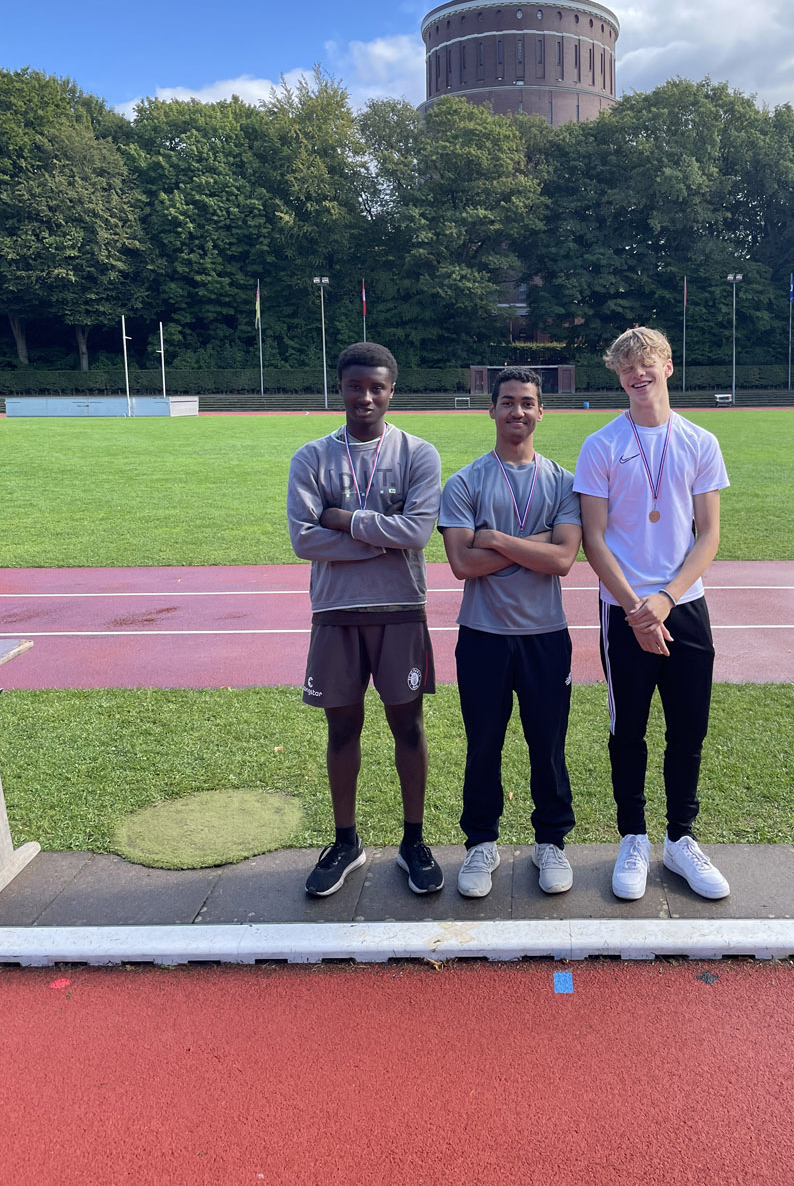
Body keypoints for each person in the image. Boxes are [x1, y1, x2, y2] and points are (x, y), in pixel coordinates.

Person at [573, 326, 731, 902]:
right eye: (626, 368)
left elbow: (708, 534)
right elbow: (593, 538)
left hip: (684, 606)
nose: (637, 374)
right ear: (619, 377)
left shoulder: (700, 441)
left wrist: (664, 599)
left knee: (689, 728)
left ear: (667, 366)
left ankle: (681, 838)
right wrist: (636, 607)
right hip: (622, 610)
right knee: (628, 730)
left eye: (646, 363)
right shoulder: (601, 445)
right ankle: (633, 837)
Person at [287, 341, 444, 898]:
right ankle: (345, 840)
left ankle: (414, 841)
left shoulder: (418, 453)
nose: (366, 397)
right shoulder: (311, 457)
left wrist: (344, 520)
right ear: (341, 388)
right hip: (336, 611)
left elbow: (418, 533)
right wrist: (381, 536)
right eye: (356, 386)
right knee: (341, 729)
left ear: (391, 390)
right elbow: (304, 540)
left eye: (377, 387)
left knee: (409, 727)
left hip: (400, 608)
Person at [439, 367, 581, 898]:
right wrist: (537, 544)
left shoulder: (564, 482)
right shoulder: (465, 482)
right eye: (507, 402)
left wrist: (495, 539)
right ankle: (481, 843)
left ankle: (551, 842)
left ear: (541, 410)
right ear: (492, 409)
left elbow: (564, 560)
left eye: (526, 402)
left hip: (546, 635)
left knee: (548, 744)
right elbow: (461, 564)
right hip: (483, 635)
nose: (517, 411)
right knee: (484, 745)